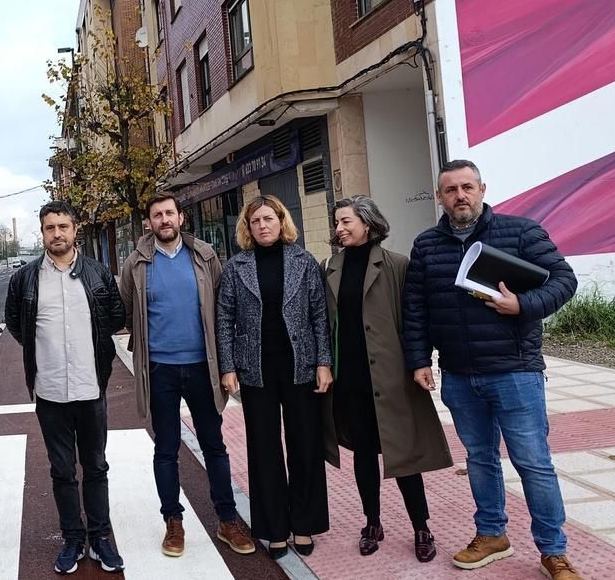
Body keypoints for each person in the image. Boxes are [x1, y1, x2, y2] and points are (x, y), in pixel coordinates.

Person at [404, 160, 581, 580]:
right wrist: (418, 360)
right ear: (439, 196)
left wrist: (522, 305)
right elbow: (416, 309)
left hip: (515, 370)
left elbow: (563, 279)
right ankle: (491, 534)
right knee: (480, 459)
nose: (459, 196)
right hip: (460, 375)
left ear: (482, 188)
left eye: (467, 187)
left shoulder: (520, 231)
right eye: (450, 190)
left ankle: (553, 551)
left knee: (533, 462)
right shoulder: (427, 245)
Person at [118, 193, 256, 558]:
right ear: (148, 222)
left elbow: (222, 312)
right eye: (156, 215)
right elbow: (131, 312)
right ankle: (173, 523)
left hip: (201, 367)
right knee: (165, 450)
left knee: (214, 446)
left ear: (181, 218)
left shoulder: (206, 256)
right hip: (160, 369)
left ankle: (227, 521)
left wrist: (227, 366)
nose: (163, 220)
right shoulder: (135, 264)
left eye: (169, 213)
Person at [321, 195, 453, 562]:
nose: (339, 228)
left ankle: (421, 527)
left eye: (346, 221)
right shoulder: (330, 266)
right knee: (363, 455)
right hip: (350, 380)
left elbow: (413, 320)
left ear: (367, 222)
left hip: (391, 378)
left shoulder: (396, 264)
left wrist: (419, 362)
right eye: (336, 223)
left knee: (405, 456)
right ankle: (372, 522)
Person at [4, 200, 127, 574]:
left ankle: (100, 537)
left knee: (95, 465)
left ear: (75, 230)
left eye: (63, 226)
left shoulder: (97, 273)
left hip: (91, 389)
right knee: (61, 469)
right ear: (41, 233)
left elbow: (116, 316)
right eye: (49, 228)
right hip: (50, 391)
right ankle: (73, 538)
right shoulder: (25, 278)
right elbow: (16, 324)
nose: (56, 233)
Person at [216, 195, 332, 559]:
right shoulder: (236, 267)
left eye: (269, 218)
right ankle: (275, 528)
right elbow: (224, 318)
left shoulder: (304, 261)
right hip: (256, 370)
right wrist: (228, 366)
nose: (263, 225)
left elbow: (318, 315)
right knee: (264, 448)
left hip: (300, 366)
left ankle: (305, 524)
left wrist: (323, 362)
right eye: (255, 221)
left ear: (282, 221)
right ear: (247, 228)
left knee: (304, 447)